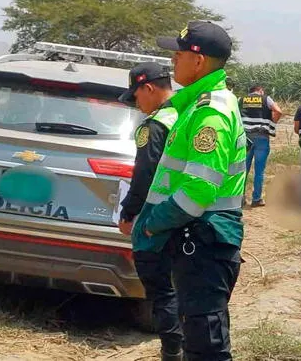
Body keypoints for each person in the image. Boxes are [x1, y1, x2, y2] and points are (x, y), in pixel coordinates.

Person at [131, 20, 246, 360]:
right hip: (197, 239)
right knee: (196, 338)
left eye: (178, 55)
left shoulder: (211, 112)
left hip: (205, 240)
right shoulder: (193, 105)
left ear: (198, 61)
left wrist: (154, 222)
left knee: (205, 346)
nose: (173, 62)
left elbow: (198, 189)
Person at [117, 62, 182, 361]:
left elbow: (145, 174)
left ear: (149, 88)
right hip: (189, 212)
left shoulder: (155, 124)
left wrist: (129, 213)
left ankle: (172, 351)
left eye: (136, 95)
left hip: (157, 219)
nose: (136, 103)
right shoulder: (188, 114)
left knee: (161, 291)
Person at [240, 84, 283, 207]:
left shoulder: (241, 100)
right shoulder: (266, 99)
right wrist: (272, 123)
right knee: (259, 171)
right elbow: (278, 111)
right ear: (260, 90)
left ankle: (240, 198)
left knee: (243, 169)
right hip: (261, 137)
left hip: (245, 138)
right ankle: (256, 199)